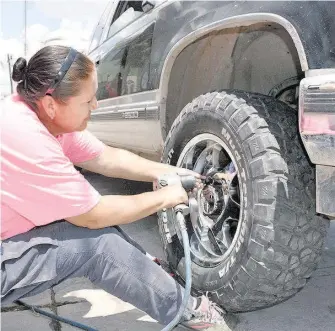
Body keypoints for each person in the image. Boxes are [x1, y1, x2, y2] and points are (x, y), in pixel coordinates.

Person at [1, 45, 226, 329]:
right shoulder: (25, 136)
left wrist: (176, 173)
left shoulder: (42, 114)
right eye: (88, 100)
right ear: (51, 104)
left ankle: (158, 280)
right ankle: (189, 312)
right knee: (96, 245)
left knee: (96, 223)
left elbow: (107, 158)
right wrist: (162, 198)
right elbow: (92, 215)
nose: (95, 105)